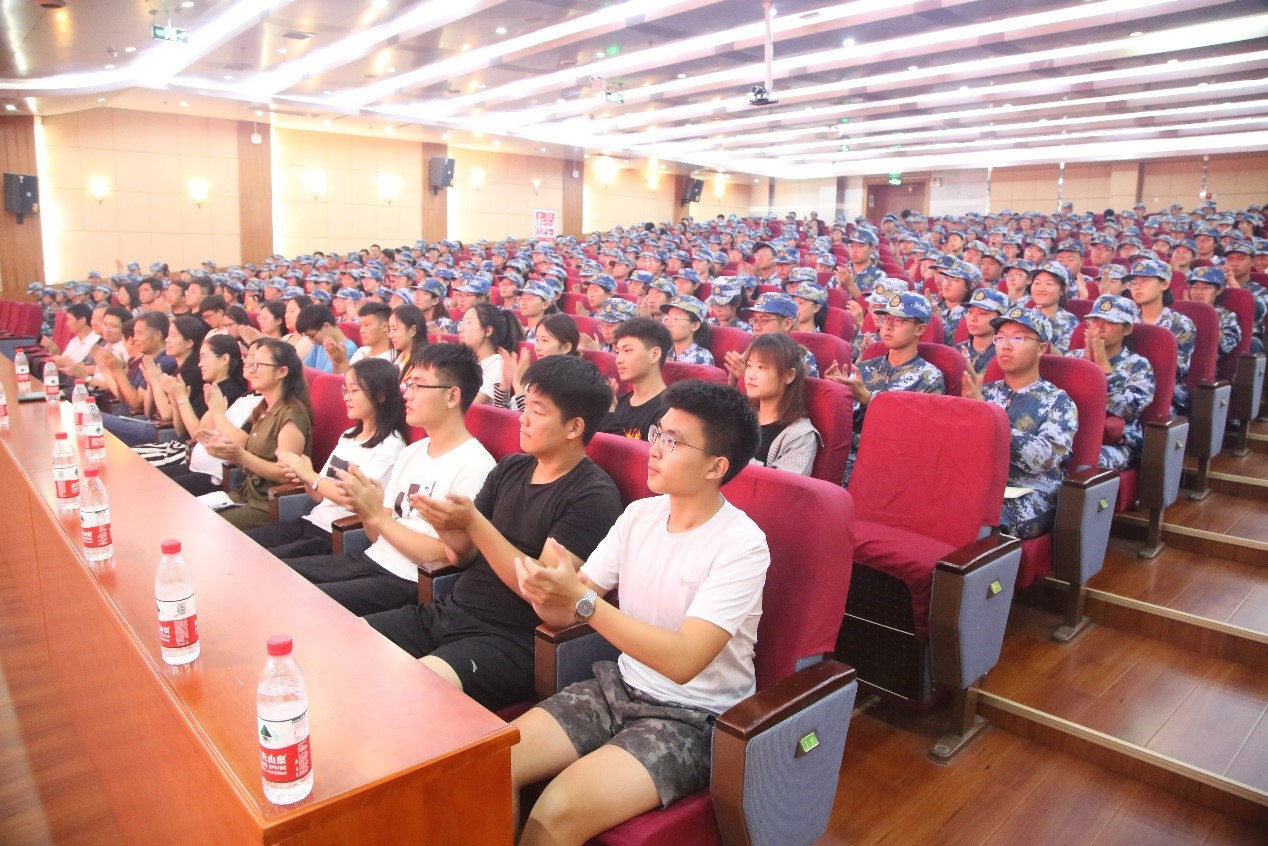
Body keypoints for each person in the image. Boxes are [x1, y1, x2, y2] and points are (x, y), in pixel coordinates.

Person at [510, 380, 766, 845]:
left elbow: (684, 660)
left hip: (692, 716)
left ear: (716, 466)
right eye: (657, 433)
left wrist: (581, 601)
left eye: (674, 442)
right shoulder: (638, 517)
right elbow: (569, 610)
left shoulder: (742, 545)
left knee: (555, 811)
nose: (655, 449)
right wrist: (545, 590)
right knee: (491, 762)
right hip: (619, 685)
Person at [361, 355, 624, 710]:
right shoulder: (511, 467)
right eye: (524, 406)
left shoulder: (594, 495)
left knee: (410, 689)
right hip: (451, 611)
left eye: (538, 411)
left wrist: (474, 523)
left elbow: (542, 588)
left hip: (510, 639)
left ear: (574, 427)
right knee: (350, 640)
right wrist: (444, 523)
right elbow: (461, 555)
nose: (523, 418)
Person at [244, 358, 408, 560]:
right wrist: (303, 474)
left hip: (334, 534)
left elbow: (354, 500)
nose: (346, 397)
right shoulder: (348, 436)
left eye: (354, 391)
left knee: (262, 561)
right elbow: (318, 495)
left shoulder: (390, 447)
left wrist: (309, 475)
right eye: (345, 390)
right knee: (243, 545)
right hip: (311, 521)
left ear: (380, 395)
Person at [962, 307, 1077, 538]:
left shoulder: (1057, 401)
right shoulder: (985, 392)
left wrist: (989, 417)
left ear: (1041, 348)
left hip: (1030, 491)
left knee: (981, 522)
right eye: (1000, 338)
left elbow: (1043, 459)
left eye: (1017, 338)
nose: (1005, 346)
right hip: (982, 484)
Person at [204, 339, 314, 531]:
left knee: (205, 524)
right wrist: (224, 450)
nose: (251, 370)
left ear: (281, 372)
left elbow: (285, 475)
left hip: (268, 504)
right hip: (247, 494)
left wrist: (239, 455)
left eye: (258, 365)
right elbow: (248, 458)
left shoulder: (291, 414)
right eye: (251, 364)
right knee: (192, 509)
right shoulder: (263, 407)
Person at [1069, 295, 1156, 471]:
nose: (1099, 328)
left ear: (1127, 329)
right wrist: (1085, 364)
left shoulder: (1138, 365)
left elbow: (1130, 410)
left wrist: (1101, 364)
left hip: (1115, 442)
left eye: (1110, 323)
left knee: (1084, 462)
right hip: (1073, 434)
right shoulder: (1072, 358)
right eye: (1094, 320)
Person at [1126, 257, 1195, 414]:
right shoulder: (1127, 320)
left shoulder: (1181, 324)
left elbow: (1176, 370)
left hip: (1166, 392)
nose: (1137, 287)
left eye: (1145, 281)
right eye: (1134, 282)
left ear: (1164, 284)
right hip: (1127, 386)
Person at [744, 333, 819, 475]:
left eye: (761, 367)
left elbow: (779, 486)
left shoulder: (800, 436)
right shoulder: (739, 416)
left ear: (789, 376)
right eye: (749, 365)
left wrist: (733, 456)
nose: (751, 375)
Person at [602, 317, 671, 441]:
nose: (618, 360)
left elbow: (639, 454)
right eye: (617, 352)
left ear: (654, 355)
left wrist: (608, 418)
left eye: (627, 350)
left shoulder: (669, 413)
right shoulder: (617, 403)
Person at [495, 313, 581, 412]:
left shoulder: (568, 381)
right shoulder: (538, 373)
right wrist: (505, 384)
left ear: (565, 347)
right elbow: (502, 416)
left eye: (545, 340)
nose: (537, 347)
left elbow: (531, 417)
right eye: (537, 340)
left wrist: (518, 383)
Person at [461, 301, 525, 404]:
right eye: (462, 322)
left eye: (468, 322)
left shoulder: (497, 365)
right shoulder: (468, 361)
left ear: (488, 331)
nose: (460, 329)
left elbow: (471, 407)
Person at [1186, 267, 1241, 356]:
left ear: (1219, 290)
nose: (1198, 292)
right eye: (1194, 287)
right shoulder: (1180, 312)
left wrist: (1204, 317)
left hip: (1205, 359)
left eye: (1205, 288)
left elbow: (1228, 346)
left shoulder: (1226, 315)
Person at [1028, 260, 1080, 354]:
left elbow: (1064, 360)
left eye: (1049, 284)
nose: (1041, 289)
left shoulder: (1070, 322)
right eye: (1037, 283)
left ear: (1063, 290)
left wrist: (1041, 330)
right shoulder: (1023, 315)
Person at [955, 288, 1009, 375]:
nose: (973, 318)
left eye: (982, 313)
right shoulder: (956, 352)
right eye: (970, 312)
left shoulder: (1006, 354)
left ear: (1000, 319)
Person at [296, 304, 357, 373]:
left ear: (326, 326)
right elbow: (305, 369)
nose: (312, 341)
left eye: (312, 336)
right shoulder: (319, 345)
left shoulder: (347, 349)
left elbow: (330, 376)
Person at [660, 295, 714, 365]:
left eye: (676, 319)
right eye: (667, 319)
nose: (668, 324)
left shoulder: (702, 357)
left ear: (695, 326)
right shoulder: (664, 352)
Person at [388, 304, 430, 377]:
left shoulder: (424, 365)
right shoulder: (395, 361)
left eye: (395, 329)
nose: (390, 335)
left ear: (413, 330)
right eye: (389, 329)